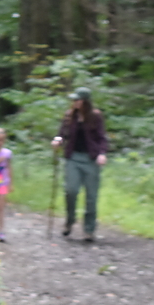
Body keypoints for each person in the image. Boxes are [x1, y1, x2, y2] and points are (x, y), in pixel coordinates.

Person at [51, 87, 108, 241]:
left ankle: (89, 230)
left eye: (78, 99)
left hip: (91, 159)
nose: (75, 102)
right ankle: (70, 221)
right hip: (73, 158)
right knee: (71, 190)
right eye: (74, 99)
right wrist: (58, 140)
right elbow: (62, 133)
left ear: (85, 101)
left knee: (91, 196)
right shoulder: (69, 116)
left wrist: (102, 153)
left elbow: (102, 137)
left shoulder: (95, 116)